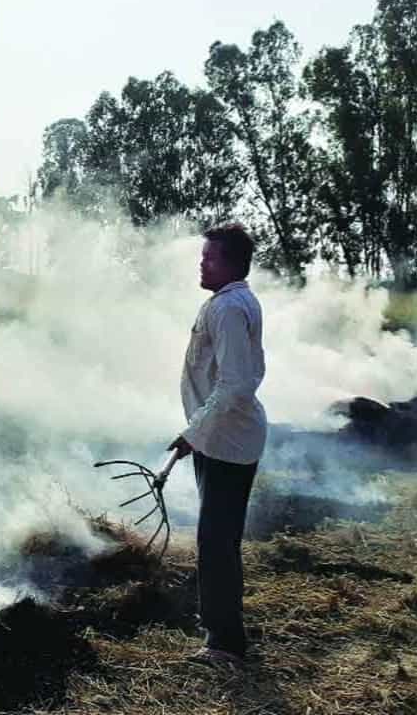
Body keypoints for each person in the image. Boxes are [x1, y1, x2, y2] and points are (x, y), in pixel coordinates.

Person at [168, 223, 266, 668]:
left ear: (229, 263)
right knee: (218, 539)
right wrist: (198, 432)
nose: (201, 263)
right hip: (221, 437)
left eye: (209, 257)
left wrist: (195, 432)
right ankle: (221, 630)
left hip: (226, 440)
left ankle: (225, 643)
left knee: (215, 540)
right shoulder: (233, 302)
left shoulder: (227, 309)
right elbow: (246, 377)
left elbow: (235, 385)